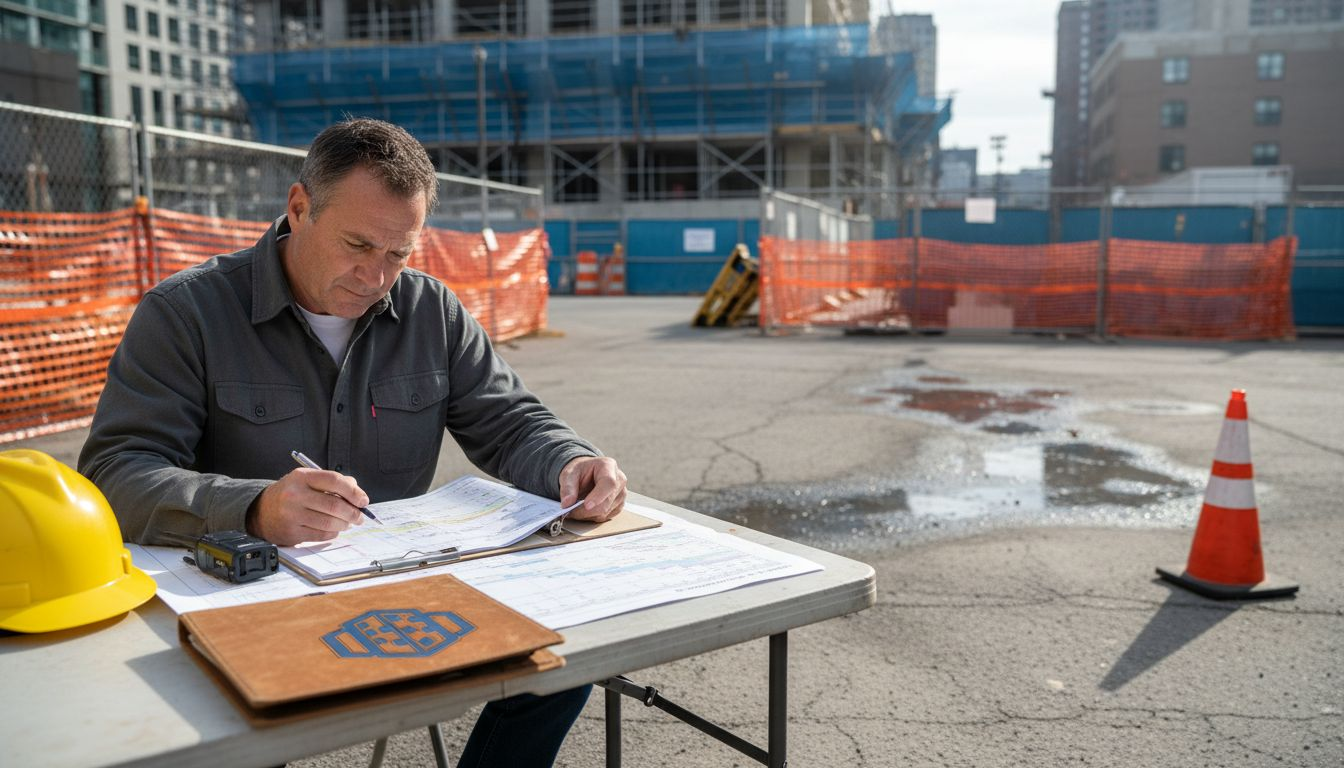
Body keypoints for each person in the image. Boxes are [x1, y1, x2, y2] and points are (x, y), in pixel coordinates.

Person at [79, 118, 626, 767]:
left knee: (570, 653)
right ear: (299, 207)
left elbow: (511, 420)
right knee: (237, 730)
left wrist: (572, 460)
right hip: (245, 600)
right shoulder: (186, 314)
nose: (375, 276)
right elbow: (116, 473)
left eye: (398, 254)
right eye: (358, 245)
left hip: (402, 589)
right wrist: (253, 510)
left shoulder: (433, 313)